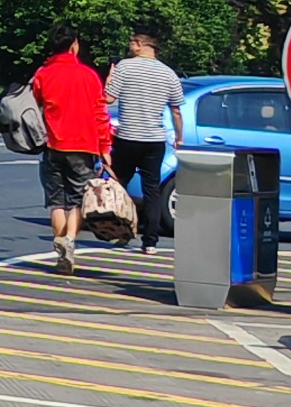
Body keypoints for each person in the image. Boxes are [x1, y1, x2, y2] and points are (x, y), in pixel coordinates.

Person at [28, 29, 114, 274]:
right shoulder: (88, 76)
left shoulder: (43, 74)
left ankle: (59, 246)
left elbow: (35, 106)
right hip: (84, 145)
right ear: (74, 46)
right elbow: (100, 113)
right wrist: (104, 146)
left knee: (56, 200)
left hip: (53, 144)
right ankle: (70, 241)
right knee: (77, 199)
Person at [102, 29, 185, 256]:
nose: (130, 45)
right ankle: (150, 241)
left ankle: (121, 231)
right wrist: (179, 137)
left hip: (128, 137)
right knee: (152, 191)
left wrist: (109, 79)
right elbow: (176, 110)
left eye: (132, 42)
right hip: (154, 140)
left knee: (119, 185)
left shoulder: (125, 67)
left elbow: (108, 98)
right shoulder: (169, 74)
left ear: (140, 44)